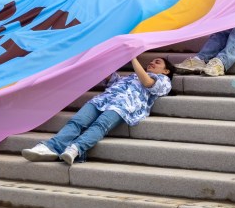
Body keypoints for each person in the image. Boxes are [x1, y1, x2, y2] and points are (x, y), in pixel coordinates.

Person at [22, 57, 174, 164]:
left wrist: (133, 57)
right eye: (151, 61)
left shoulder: (163, 81)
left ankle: (76, 149)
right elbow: (110, 79)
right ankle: (49, 147)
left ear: (166, 71)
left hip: (123, 106)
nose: (152, 63)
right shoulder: (132, 76)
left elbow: (148, 83)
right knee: (77, 121)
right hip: (102, 100)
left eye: (157, 62)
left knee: (100, 126)